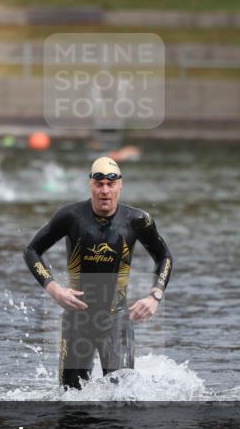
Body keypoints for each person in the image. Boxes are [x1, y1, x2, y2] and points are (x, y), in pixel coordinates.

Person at [24, 157, 173, 390]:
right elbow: (32, 250)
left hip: (117, 321)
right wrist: (53, 289)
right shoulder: (70, 216)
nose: (105, 190)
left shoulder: (137, 220)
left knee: (120, 399)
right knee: (70, 401)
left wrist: (155, 296)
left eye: (110, 184)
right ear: (90, 185)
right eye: (99, 183)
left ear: (120, 185)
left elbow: (164, 256)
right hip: (77, 319)